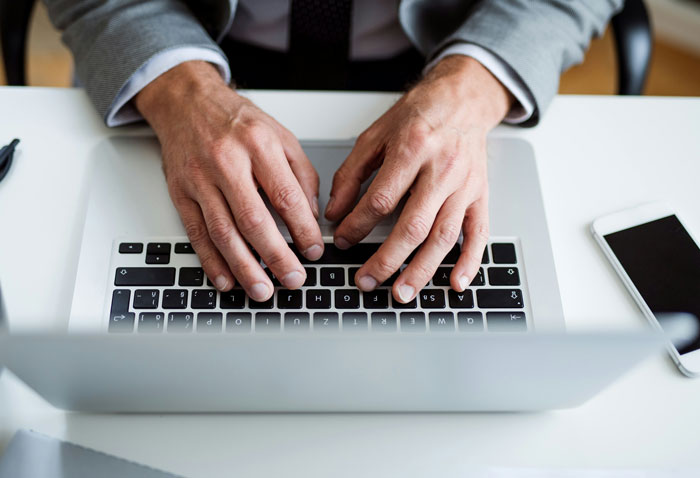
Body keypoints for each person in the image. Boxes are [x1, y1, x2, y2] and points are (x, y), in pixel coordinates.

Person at [46, 0, 623, 303]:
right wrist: (176, 87)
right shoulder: (177, 78)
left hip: (443, 54)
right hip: (184, 44)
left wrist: (475, 84)